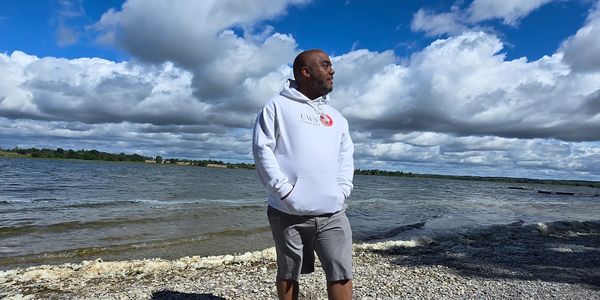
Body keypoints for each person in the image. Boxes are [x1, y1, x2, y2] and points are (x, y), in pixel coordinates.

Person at [252, 49, 354, 300]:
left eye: (330, 65)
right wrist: (285, 192)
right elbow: (262, 149)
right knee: (289, 274)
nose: (332, 70)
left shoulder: (336, 117)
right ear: (305, 72)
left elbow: (345, 156)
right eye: (325, 65)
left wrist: (342, 190)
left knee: (341, 273)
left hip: (333, 212)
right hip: (288, 212)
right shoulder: (276, 106)